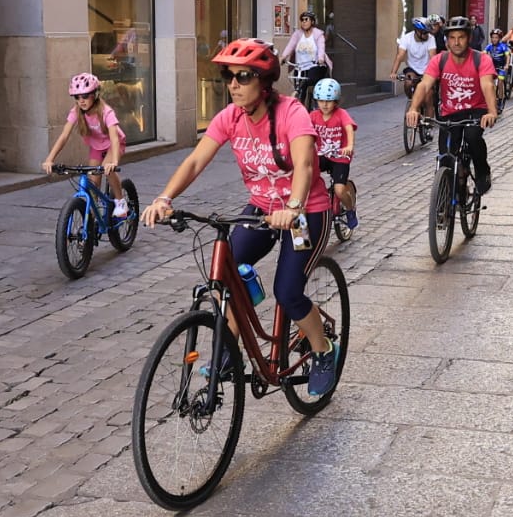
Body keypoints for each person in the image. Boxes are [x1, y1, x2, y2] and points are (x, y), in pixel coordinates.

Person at [141, 38, 341, 397]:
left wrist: (293, 207)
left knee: (288, 291)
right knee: (227, 272)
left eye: (243, 77)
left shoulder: (291, 113)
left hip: (305, 212)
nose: (233, 84)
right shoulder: (229, 118)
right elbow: (195, 161)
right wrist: (165, 197)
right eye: (228, 77)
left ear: (264, 83)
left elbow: (306, 166)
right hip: (262, 209)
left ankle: (324, 350)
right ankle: (230, 352)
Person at [405, 17, 499, 193]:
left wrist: (492, 112)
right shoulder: (440, 60)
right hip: (450, 113)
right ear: (447, 40)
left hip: (475, 111)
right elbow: (424, 84)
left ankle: (482, 170)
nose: (456, 42)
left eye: (461, 37)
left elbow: (487, 85)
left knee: (472, 138)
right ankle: (445, 199)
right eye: (452, 38)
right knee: (446, 156)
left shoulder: (481, 59)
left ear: (469, 38)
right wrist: (413, 109)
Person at [41, 72, 129, 217]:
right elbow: (64, 136)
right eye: (77, 97)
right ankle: (92, 218)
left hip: (114, 144)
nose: (81, 101)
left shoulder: (106, 112)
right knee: (92, 180)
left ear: (95, 95)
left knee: (107, 169)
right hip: (96, 146)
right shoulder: (76, 111)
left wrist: (113, 162)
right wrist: (50, 158)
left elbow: (114, 138)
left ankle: (120, 202)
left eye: (85, 96)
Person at [310, 78, 357, 229]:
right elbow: (305, 131)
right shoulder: (313, 116)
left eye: (329, 101)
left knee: (339, 189)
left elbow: (349, 128)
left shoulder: (341, 114)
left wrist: (349, 145)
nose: (324, 104)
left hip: (340, 157)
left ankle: (350, 209)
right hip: (322, 155)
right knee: (307, 176)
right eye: (321, 100)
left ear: (336, 101)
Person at [280, 10, 333, 111]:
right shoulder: (298, 34)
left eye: (306, 19)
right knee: (299, 89)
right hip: (300, 67)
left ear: (312, 22)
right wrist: (283, 57)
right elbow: (290, 46)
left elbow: (321, 47)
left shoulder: (318, 34)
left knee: (307, 83)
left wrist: (321, 59)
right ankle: (300, 110)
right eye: (302, 20)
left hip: (315, 66)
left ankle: (313, 104)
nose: (303, 22)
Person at [390, 17, 437, 117]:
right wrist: (393, 72)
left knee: (428, 98)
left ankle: (428, 126)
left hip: (427, 70)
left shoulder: (431, 39)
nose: (426, 35)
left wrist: (436, 73)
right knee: (408, 82)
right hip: (413, 68)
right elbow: (400, 56)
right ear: (417, 31)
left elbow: (433, 57)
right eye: (424, 33)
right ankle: (413, 100)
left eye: (427, 33)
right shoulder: (407, 38)